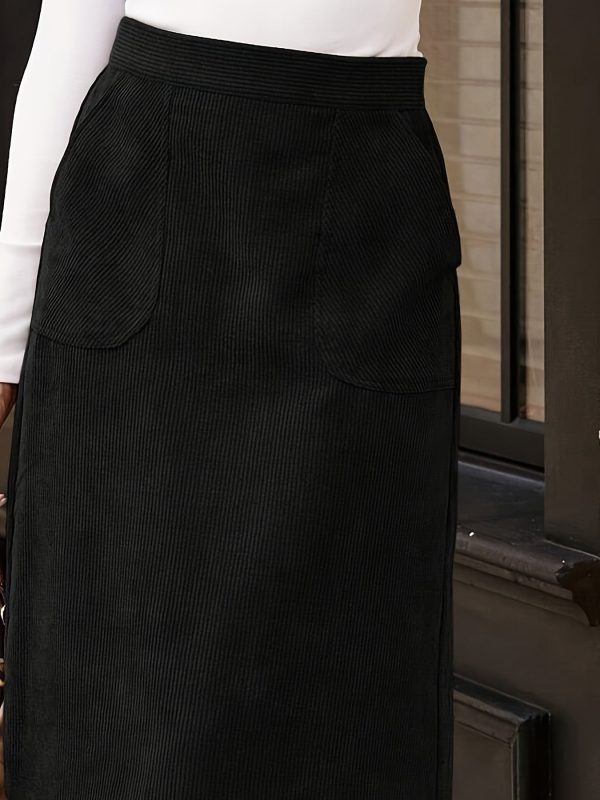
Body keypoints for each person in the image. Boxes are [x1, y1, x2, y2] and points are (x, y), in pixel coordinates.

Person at [0, 1, 462, 797]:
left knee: (353, 678)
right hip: (144, 205)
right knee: (116, 694)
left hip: (364, 204)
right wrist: (5, 341)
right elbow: (73, 35)